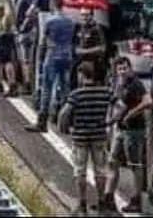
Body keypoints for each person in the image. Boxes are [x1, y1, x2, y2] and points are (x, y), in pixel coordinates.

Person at [57, 62, 113, 216]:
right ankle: (101, 202)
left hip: (80, 136)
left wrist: (64, 128)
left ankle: (82, 205)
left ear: (82, 75)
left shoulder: (76, 95)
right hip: (99, 136)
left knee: (80, 171)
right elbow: (120, 106)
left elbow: (64, 113)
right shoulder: (105, 92)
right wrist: (111, 121)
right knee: (100, 171)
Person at [104, 57, 151, 214]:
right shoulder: (119, 84)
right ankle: (108, 198)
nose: (123, 71)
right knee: (112, 162)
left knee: (135, 165)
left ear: (130, 68)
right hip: (121, 129)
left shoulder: (135, 84)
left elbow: (148, 101)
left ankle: (136, 199)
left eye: (125, 68)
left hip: (134, 131)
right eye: (120, 69)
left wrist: (131, 113)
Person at [26, 0, 76, 132]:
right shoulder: (70, 22)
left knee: (47, 87)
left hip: (53, 54)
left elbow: (43, 41)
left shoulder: (50, 21)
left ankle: (42, 121)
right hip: (67, 56)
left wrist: (41, 57)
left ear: (53, 4)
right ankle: (65, 121)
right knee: (65, 88)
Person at [74, 6, 108, 84]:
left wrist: (85, 51)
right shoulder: (78, 28)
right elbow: (74, 46)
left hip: (95, 65)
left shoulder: (97, 29)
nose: (84, 17)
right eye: (82, 15)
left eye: (86, 15)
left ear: (92, 16)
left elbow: (102, 48)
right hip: (80, 65)